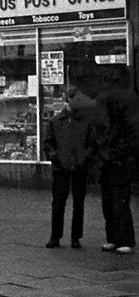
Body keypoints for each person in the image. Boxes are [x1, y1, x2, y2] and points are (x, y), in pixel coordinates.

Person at [41, 86, 101, 249]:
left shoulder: (85, 122)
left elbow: (91, 144)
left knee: (78, 202)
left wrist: (85, 158)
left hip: (79, 167)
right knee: (58, 202)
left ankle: (75, 236)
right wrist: (55, 158)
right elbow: (48, 143)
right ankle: (56, 236)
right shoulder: (55, 122)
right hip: (62, 167)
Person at [95, 88, 139, 254]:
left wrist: (110, 154)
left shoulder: (124, 125)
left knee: (119, 204)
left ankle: (125, 239)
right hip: (108, 167)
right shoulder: (105, 125)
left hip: (119, 167)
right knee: (108, 204)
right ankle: (112, 238)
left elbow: (129, 145)